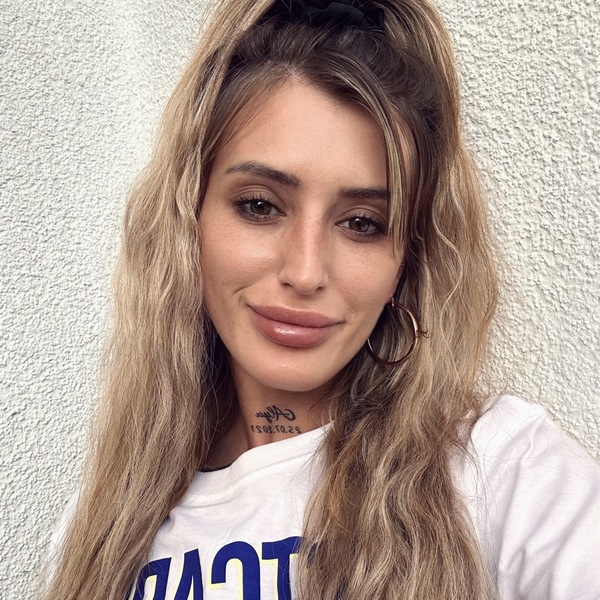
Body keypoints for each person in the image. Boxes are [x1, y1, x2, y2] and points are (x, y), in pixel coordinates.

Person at [42, 0, 600, 598]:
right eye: (260, 206)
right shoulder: (100, 531)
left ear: (407, 261)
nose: (306, 272)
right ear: (188, 219)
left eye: (362, 223)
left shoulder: (504, 471)